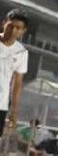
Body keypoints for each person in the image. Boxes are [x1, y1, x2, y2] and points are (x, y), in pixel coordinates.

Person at [0, 8, 29, 137]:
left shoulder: (22, 53)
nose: (14, 30)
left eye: (18, 28)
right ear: (4, 23)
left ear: (23, 31)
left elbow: (17, 84)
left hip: (1, 103)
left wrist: (14, 111)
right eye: (11, 25)